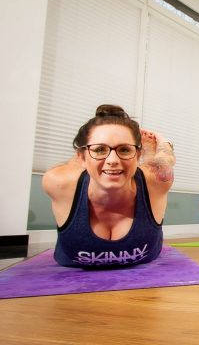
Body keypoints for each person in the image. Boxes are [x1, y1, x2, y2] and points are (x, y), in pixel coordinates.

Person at [42, 104, 176, 268]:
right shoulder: (58, 182)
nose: (113, 160)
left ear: (138, 156)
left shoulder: (156, 182)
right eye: (100, 149)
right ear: (81, 158)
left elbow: (165, 163)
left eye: (125, 150)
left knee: (161, 167)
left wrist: (164, 144)